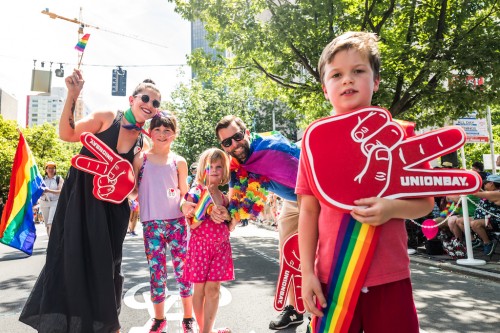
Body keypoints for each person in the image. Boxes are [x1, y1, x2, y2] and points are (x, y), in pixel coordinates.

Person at [297, 32, 434, 332]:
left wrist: (391, 208)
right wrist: (306, 273)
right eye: (337, 74)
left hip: (391, 278)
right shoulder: (314, 142)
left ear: (376, 81)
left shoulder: (401, 134)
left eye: (358, 71)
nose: (348, 80)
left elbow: (425, 204)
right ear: (324, 88)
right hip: (332, 280)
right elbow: (308, 211)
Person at [19, 68, 159, 333]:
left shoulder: (144, 144)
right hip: (80, 201)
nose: (149, 105)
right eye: (145, 98)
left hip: (113, 212)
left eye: (155, 103)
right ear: (132, 99)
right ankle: (66, 325)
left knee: (107, 268)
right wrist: (73, 94)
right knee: (71, 259)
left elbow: (135, 192)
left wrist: (133, 181)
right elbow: (67, 134)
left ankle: (108, 325)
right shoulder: (107, 118)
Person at [215, 116, 302, 330]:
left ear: (246, 132)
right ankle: (295, 309)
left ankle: (321, 316)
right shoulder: (236, 163)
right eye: (227, 142)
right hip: (291, 202)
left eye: (237, 137)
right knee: (288, 257)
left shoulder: (273, 150)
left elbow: (308, 178)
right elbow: (236, 198)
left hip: (312, 197)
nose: (234, 145)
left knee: (317, 259)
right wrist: (223, 219)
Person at [132, 111, 195, 333]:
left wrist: (187, 207)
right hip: (151, 225)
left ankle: (188, 317)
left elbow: (183, 196)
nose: (161, 134)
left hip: (177, 224)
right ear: (150, 133)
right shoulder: (141, 159)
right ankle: (159, 319)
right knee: (156, 272)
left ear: (174, 135)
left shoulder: (179, 162)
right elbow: (132, 191)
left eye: (167, 131)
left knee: (184, 271)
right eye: (157, 130)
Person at [182, 148, 234, 333]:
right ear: (202, 169)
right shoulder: (195, 193)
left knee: (213, 290)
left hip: (221, 248)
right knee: (200, 290)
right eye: (210, 166)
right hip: (200, 247)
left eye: (219, 166)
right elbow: (192, 224)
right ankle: (204, 329)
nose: (214, 170)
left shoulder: (226, 198)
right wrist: (208, 209)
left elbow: (230, 226)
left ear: (224, 171)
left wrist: (228, 216)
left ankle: (207, 330)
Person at [470, 174, 500, 256]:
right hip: (485, 219)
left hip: (496, 221)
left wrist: (468, 186)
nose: (484, 185)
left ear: (491, 183)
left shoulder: (497, 193)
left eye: (485, 183)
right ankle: (475, 241)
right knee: (461, 221)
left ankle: (487, 243)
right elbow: (482, 193)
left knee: (474, 223)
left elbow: (476, 194)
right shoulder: (490, 192)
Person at [39, 161, 64, 238]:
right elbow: (37, 190)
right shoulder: (41, 179)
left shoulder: (58, 179)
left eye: (53, 168)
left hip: (54, 202)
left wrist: (48, 190)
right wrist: (41, 193)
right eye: (49, 168)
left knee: (51, 223)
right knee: (47, 225)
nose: (51, 170)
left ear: (55, 170)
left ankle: (52, 244)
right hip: (44, 202)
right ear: (46, 170)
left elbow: (60, 191)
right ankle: (50, 243)